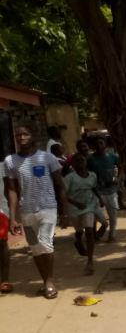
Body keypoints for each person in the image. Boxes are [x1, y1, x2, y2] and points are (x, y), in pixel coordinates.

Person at [4, 124, 68, 299]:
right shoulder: (10, 161)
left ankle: (49, 282)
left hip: (48, 208)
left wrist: (65, 211)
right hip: (26, 212)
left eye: (25, 134)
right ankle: (45, 280)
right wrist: (12, 217)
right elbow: (12, 190)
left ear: (32, 136)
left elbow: (59, 185)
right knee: (35, 248)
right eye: (18, 135)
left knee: (46, 243)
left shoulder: (48, 158)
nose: (21, 137)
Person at [64, 153, 102, 275]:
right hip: (74, 208)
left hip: (88, 206)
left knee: (89, 231)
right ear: (73, 164)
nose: (81, 163)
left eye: (83, 160)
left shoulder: (92, 175)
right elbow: (63, 194)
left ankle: (90, 261)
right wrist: (75, 203)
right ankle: (78, 241)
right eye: (78, 161)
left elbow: (94, 188)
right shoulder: (70, 178)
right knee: (79, 230)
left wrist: (100, 198)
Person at [87, 137, 120, 242]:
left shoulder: (112, 157)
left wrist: (118, 177)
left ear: (105, 145)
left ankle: (112, 235)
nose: (99, 146)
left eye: (101, 143)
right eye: (97, 144)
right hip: (97, 191)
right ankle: (98, 230)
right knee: (98, 215)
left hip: (111, 190)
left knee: (113, 214)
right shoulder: (90, 159)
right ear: (93, 146)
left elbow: (121, 166)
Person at [0, 159, 11, 293]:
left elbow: (10, 188)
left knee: (2, 243)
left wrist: (13, 214)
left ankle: (5, 280)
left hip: (0, 210)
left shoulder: (2, 166)